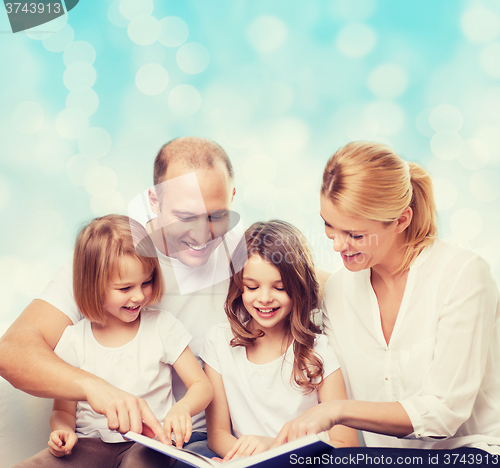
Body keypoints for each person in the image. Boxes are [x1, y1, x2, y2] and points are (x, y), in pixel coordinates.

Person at [0, 137, 332, 460]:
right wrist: (94, 387)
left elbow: (313, 282)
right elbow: (13, 352)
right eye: (186, 217)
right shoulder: (110, 259)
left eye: (217, 216)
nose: (203, 235)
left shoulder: (248, 256)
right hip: (99, 439)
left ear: (231, 197)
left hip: (194, 443)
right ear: (154, 202)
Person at [273, 141, 500, 454]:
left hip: (470, 453)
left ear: (401, 220)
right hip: (384, 458)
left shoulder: (463, 275)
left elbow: (443, 414)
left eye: (355, 235)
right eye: (328, 225)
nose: (338, 245)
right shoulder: (340, 289)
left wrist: (336, 410)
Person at [14, 215, 213, 468]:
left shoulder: (162, 326)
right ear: (94, 286)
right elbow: (63, 410)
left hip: (150, 444)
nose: (139, 295)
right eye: (125, 288)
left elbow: (201, 385)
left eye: (146, 282)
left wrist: (183, 408)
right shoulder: (75, 340)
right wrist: (62, 431)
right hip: (89, 445)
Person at [201, 220, 359, 461]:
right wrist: (240, 460)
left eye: (280, 287)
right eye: (252, 287)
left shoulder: (319, 351)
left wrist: (274, 448)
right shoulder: (219, 342)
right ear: (239, 287)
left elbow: (345, 444)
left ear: (298, 287)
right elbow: (218, 434)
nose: (264, 298)